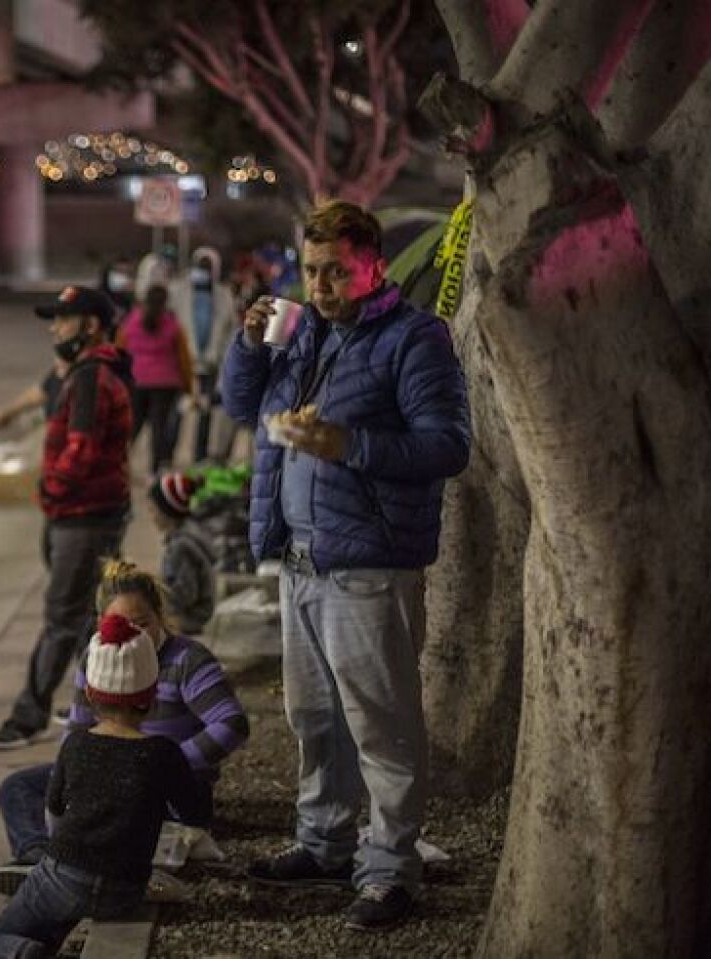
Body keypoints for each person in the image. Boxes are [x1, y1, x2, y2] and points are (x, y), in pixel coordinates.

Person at [220, 199, 471, 931]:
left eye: (336, 270)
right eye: (311, 268)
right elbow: (241, 406)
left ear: (373, 265)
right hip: (300, 557)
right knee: (314, 717)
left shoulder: (415, 338)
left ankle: (392, 868)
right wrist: (248, 344)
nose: (321, 284)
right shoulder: (301, 332)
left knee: (381, 725)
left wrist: (347, 444)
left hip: (369, 564)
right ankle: (323, 843)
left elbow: (448, 445)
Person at [0, 559, 247, 892]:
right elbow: (77, 729)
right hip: (107, 770)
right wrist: (70, 776)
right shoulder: (96, 656)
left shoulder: (188, 660)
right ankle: (37, 857)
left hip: (168, 787)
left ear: (159, 616)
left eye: (142, 623)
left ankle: (80, 867)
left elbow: (231, 723)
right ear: (100, 623)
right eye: (120, 624)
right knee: (18, 788)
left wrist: (165, 764)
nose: (132, 635)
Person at [0, 610, 210, 958]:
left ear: (89, 692)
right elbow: (196, 814)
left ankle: (27, 952)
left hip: (65, 876)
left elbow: (54, 813)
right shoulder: (164, 753)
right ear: (152, 694)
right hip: (126, 890)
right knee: (61, 908)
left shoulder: (76, 744)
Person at [0, 286, 133, 750]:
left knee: (61, 617)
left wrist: (49, 489)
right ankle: (95, 701)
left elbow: (82, 450)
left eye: (63, 320)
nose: (55, 328)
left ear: (89, 326)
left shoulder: (92, 377)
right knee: (86, 614)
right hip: (87, 512)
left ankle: (29, 716)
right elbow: (48, 391)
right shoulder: (86, 371)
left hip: (83, 515)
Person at [169, 247, 238, 462]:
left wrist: (223, 358)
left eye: (208, 267)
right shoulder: (178, 290)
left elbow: (230, 329)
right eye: (201, 265)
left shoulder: (224, 295)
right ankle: (167, 455)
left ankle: (199, 458)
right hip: (183, 362)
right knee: (177, 412)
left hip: (210, 362)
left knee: (206, 414)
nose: (204, 271)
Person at [117, 284, 194, 475]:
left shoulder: (130, 321)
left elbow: (119, 351)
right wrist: (188, 386)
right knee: (159, 428)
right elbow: (184, 358)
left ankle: (118, 465)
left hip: (136, 382)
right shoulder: (172, 325)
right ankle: (156, 470)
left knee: (132, 426)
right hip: (165, 385)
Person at [147, 473, 217, 636]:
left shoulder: (180, 547)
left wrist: (156, 600)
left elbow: (185, 593)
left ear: (167, 512)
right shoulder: (187, 534)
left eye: (153, 510)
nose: (151, 516)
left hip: (188, 618)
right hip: (194, 614)